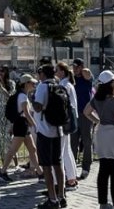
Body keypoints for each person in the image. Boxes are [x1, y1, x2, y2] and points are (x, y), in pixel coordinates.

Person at [83, 69, 114, 209]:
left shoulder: (96, 99)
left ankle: (103, 202)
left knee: (103, 169)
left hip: (101, 133)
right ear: (111, 84)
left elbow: (86, 112)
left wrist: (98, 120)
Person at [33, 64, 66, 209]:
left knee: (46, 166)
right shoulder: (58, 85)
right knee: (58, 164)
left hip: (45, 129)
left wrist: (32, 98)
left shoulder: (42, 86)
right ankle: (61, 196)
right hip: (58, 129)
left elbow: (38, 107)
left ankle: (52, 199)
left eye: (39, 73)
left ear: (43, 74)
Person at [0, 73, 41, 181]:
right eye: (31, 83)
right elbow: (26, 113)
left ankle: (40, 172)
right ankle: (2, 171)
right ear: (26, 84)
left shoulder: (22, 95)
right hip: (21, 125)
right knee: (13, 149)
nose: (33, 85)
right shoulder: (23, 96)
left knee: (32, 149)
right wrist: (34, 125)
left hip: (22, 125)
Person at [55, 62, 80, 191]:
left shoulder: (64, 85)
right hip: (69, 120)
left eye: (57, 70)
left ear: (62, 72)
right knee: (67, 150)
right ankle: (72, 177)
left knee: (63, 151)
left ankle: (70, 180)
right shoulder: (68, 84)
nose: (55, 72)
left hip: (64, 120)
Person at [71, 59, 95, 181]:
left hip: (85, 114)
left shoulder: (86, 77)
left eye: (76, 67)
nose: (74, 69)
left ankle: (86, 167)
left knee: (87, 141)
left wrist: (82, 69)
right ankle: (72, 167)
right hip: (74, 114)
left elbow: (87, 73)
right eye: (73, 67)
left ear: (81, 66)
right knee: (73, 142)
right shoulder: (72, 79)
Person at [0, 65, 15, 168]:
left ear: (6, 72)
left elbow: (11, 98)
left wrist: (2, 88)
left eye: (3, 71)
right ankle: (4, 163)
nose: (0, 73)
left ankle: (14, 163)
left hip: (7, 114)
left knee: (8, 139)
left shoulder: (11, 84)